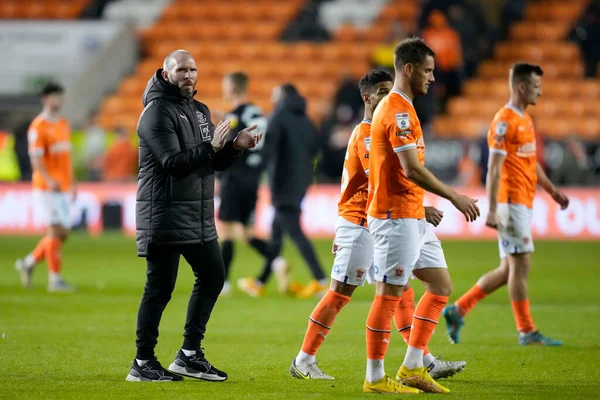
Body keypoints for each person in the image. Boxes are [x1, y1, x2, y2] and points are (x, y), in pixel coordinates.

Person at [289, 70, 465, 383]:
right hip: (361, 222)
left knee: (403, 289)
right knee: (341, 293)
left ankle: (421, 359)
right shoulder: (367, 133)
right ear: (367, 97)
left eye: (390, 90)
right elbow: (379, 182)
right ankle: (304, 360)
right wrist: (420, 208)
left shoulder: (388, 129)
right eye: (381, 91)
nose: (388, 96)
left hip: (391, 218)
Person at [127, 50, 262, 382]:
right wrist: (213, 148)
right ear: (166, 73)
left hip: (198, 214)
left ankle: (189, 355)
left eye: (193, 69)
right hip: (164, 212)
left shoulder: (199, 111)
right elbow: (172, 163)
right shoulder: (154, 113)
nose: (189, 75)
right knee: (159, 289)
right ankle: (142, 362)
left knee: (214, 277)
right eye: (181, 70)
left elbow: (210, 162)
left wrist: (235, 146)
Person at [363, 37, 480, 394]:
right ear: (409, 69)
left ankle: (414, 366)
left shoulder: (407, 108)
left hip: (412, 214)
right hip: (394, 215)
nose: (432, 77)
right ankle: (374, 378)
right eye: (428, 70)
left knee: (441, 284)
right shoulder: (397, 110)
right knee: (389, 293)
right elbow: (411, 169)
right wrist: (454, 195)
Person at [443, 63, 570, 346]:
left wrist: (553, 191)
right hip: (509, 202)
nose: (540, 92)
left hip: (523, 201)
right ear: (522, 87)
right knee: (521, 266)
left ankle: (457, 309)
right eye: (536, 87)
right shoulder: (504, 121)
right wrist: (491, 208)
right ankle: (526, 331)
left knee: (507, 270)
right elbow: (494, 168)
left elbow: (531, 162)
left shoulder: (526, 119)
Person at [238, 84, 327, 299]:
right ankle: (260, 282)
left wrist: (254, 172)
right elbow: (317, 149)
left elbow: (268, 149)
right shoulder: (307, 121)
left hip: (282, 182)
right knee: (277, 232)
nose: (272, 98)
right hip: (302, 181)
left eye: (274, 95)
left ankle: (322, 280)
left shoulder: (277, 118)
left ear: (281, 97)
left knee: (294, 232)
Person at [217, 72, 284, 296]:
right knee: (246, 233)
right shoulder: (255, 112)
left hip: (234, 177)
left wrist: (219, 176)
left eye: (225, 85)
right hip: (253, 179)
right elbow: (263, 144)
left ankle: (223, 283)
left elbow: (227, 149)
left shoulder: (234, 115)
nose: (223, 90)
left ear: (233, 88)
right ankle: (276, 261)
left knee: (226, 231)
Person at [15, 82, 76, 292]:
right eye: (55, 96)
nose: (59, 100)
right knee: (54, 230)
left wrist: (73, 183)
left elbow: (67, 158)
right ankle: (55, 280)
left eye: (61, 96)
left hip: (64, 186)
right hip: (46, 187)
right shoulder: (38, 127)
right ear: (46, 98)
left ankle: (28, 263)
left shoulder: (63, 124)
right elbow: (36, 160)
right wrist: (49, 180)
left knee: (63, 232)